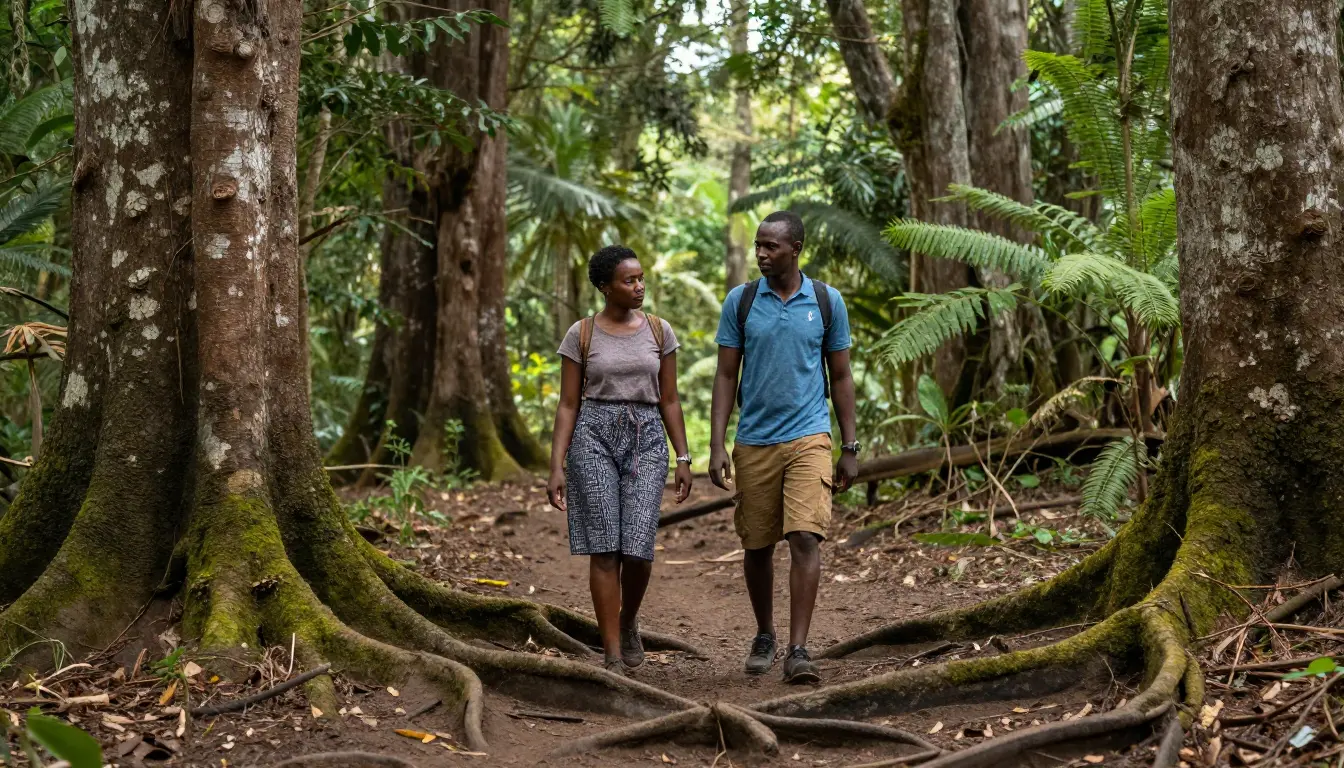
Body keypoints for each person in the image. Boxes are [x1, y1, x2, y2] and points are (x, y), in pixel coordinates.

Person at [709, 211, 858, 684]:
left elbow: (842, 375)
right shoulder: (743, 300)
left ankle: (798, 649)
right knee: (756, 545)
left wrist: (849, 444)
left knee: (804, 537)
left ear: (796, 248)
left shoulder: (826, 301)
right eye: (758, 245)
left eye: (771, 246)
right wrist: (715, 445)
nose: (761, 253)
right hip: (754, 440)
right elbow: (726, 375)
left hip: (809, 435)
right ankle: (765, 634)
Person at [548, 245, 694, 674]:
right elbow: (568, 403)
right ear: (604, 287)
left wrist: (683, 456)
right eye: (629, 280)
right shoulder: (582, 334)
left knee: (639, 549)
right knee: (605, 549)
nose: (639, 286)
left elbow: (669, 398)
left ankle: (628, 620)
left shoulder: (659, 330)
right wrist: (556, 464)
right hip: (592, 435)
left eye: (641, 278)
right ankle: (611, 652)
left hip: (647, 437)